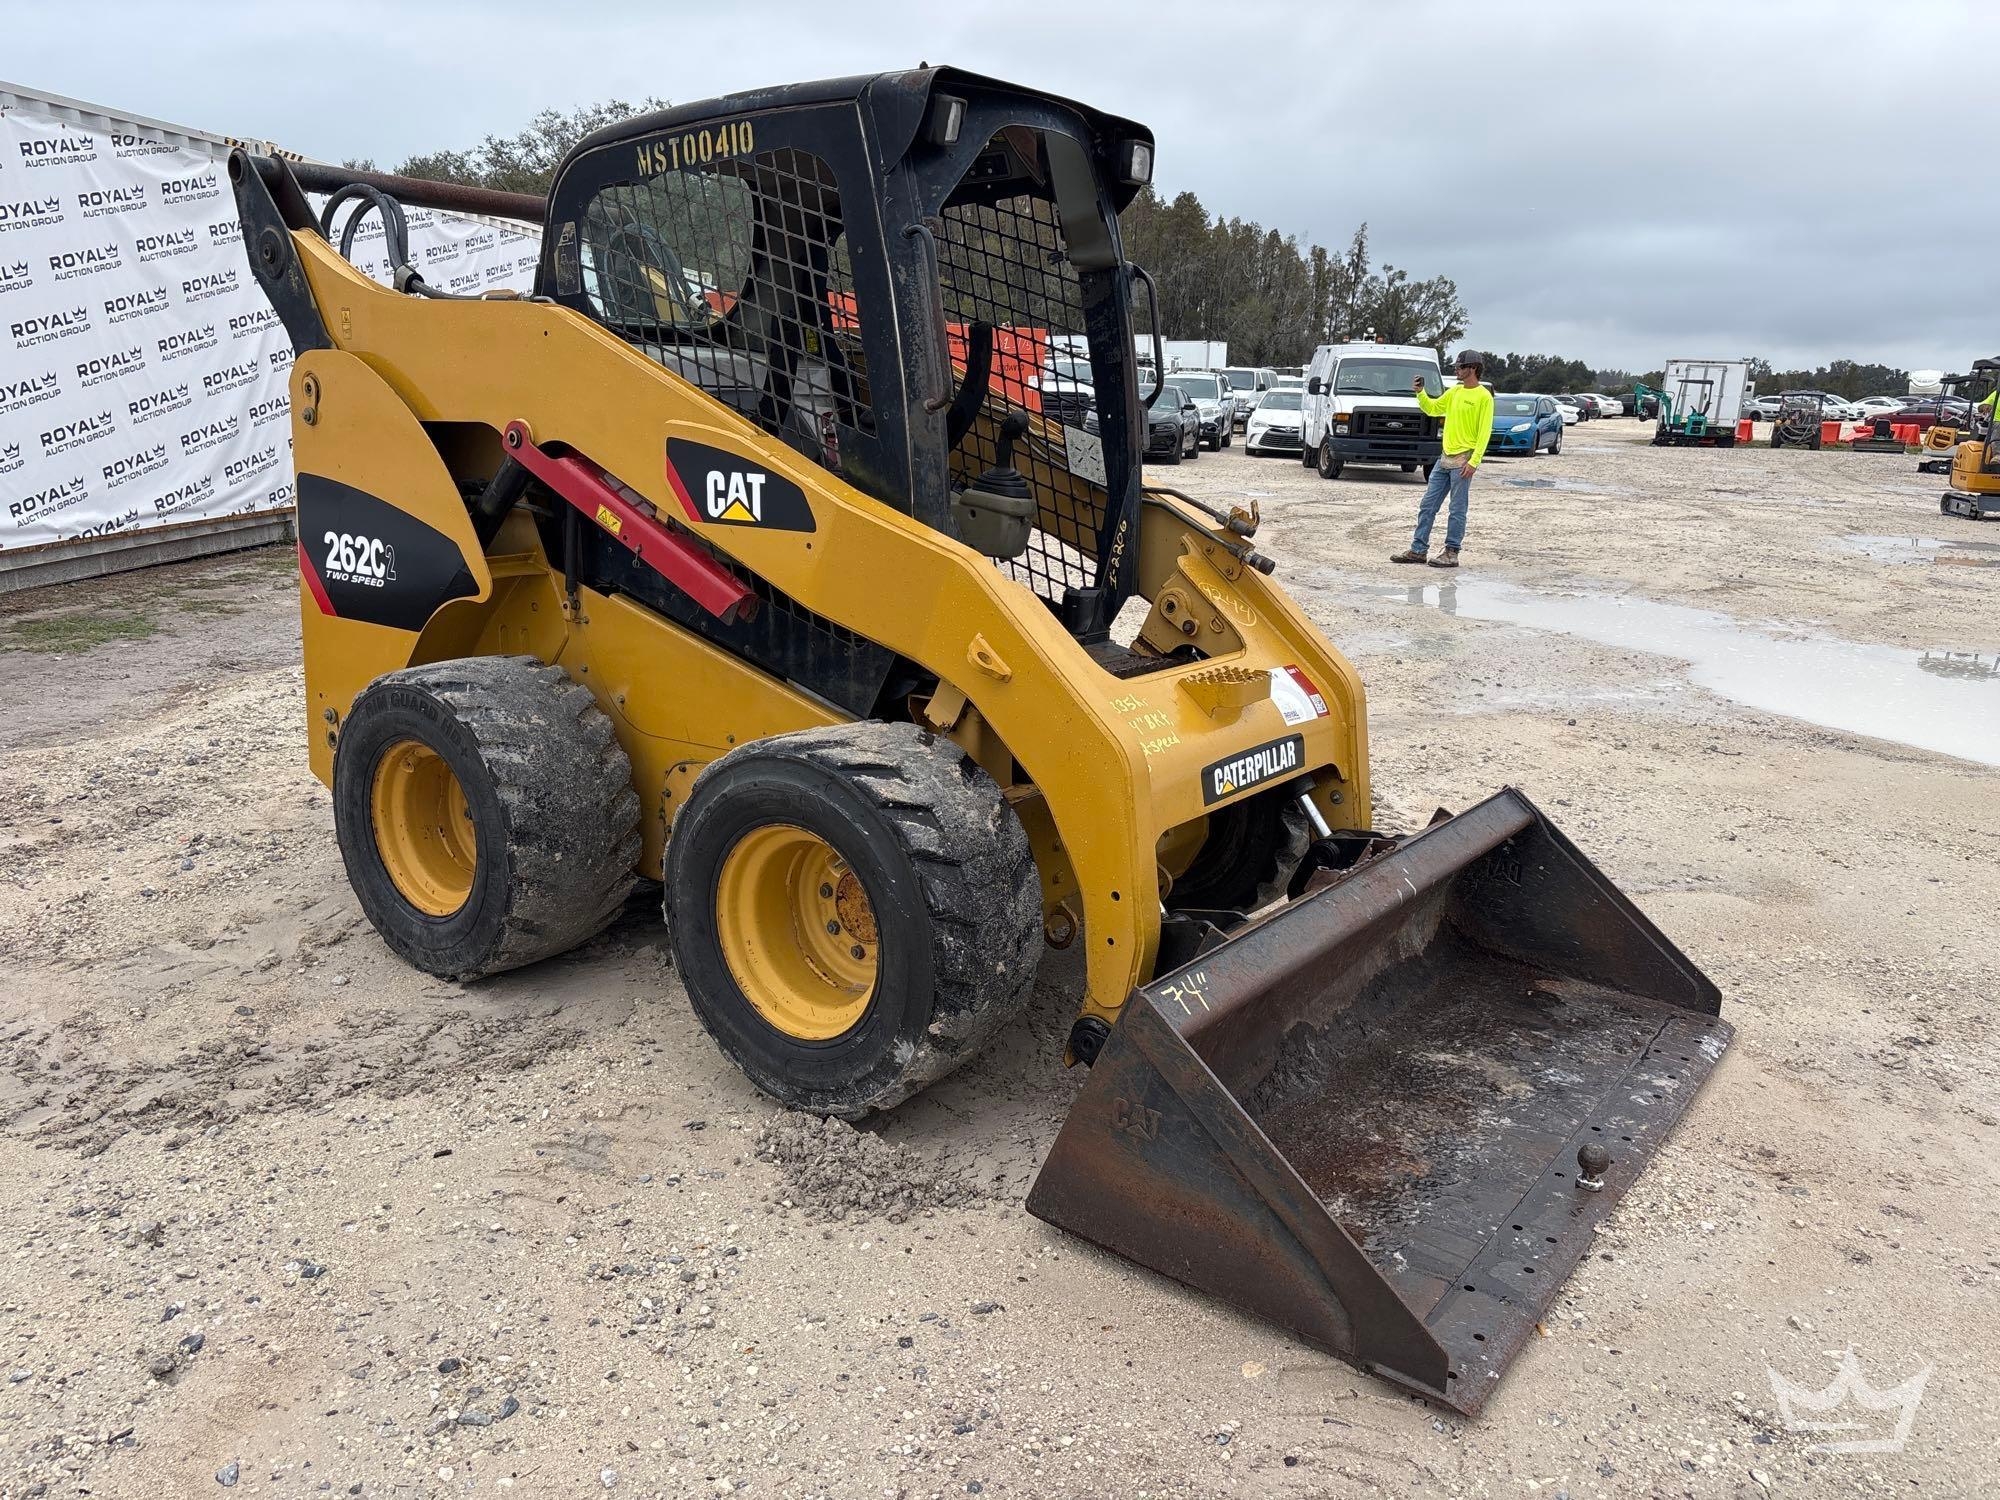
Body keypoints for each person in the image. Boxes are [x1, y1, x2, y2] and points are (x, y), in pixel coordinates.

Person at [1391, 352, 1493, 569]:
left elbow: (1485, 433)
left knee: (1457, 509)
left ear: (1473, 368)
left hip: (1464, 460)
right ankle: (1418, 550)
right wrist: (1420, 393)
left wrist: (1474, 461)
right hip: (1445, 458)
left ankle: (1452, 552)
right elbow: (1433, 408)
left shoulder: (1484, 397)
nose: (1456, 370)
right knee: (1428, 505)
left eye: (1460, 366)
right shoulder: (1455, 391)